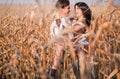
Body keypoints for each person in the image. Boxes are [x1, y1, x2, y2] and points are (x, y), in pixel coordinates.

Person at [69, 2, 92, 79]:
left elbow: (75, 38)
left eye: (78, 8)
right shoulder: (77, 22)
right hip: (78, 53)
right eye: (75, 8)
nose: (76, 10)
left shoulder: (82, 23)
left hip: (82, 53)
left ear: (83, 9)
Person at [49, 0, 70, 78]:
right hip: (61, 55)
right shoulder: (56, 24)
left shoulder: (69, 20)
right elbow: (58, 40)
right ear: (61, 9)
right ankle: (53, 72)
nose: (69, 10)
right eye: (68, 8)